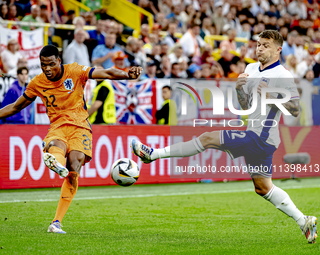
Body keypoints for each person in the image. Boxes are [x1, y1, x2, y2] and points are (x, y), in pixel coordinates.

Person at [131, 30, 318, 244]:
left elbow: (294, 109)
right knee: (263, 187)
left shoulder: (283, 75)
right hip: (257, 135)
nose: (259, 48)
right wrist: (240, 90)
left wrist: (272, 94)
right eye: (258, 44)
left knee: (207, 138)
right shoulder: (250, 69)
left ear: (278, 49)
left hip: (261, 137)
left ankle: (153, 154)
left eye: (265, 45)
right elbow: (246, 105)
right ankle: (304, 220)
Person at [0, 45, 143, 234]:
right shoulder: (37, 82)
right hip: (57, 126)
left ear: (59, 61)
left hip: (80, 127)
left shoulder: (74, 70)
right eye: (43, 65)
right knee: (56, 145)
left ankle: (56, 221)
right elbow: (16, 107)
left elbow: (105, 72)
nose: (47, 69)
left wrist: (126, 74)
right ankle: (54, 160)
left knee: (74, 166)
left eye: (50, 64)